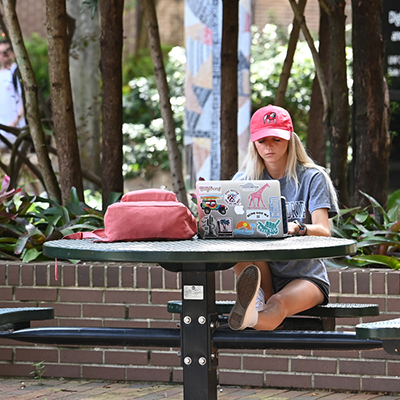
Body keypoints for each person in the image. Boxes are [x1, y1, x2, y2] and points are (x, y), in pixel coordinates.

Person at [228, 104, 339, 331]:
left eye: (276, 139)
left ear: (290, 139)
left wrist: (296, 228)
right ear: (254, 144)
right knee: (240, 242)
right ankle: (255, 297)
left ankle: (251, 317)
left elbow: (323, 230)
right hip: (264, 269)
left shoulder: (313, 177)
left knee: (277, 302)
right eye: (262, 141)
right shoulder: (243, 180)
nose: (268, 146)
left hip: (305, 276)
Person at [0, 39, 25, 150]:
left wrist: (14, 123)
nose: (2, 56)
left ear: (12, 53)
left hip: (16, 131)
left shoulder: (18, 73)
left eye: (5, 52)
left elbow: (25, 102)